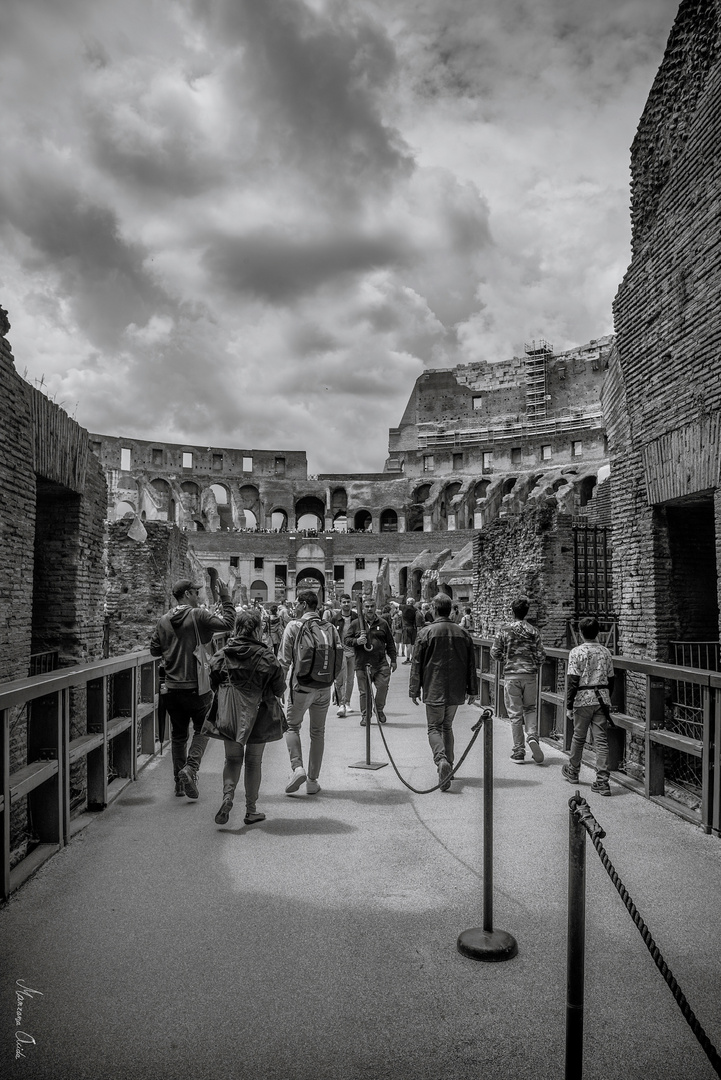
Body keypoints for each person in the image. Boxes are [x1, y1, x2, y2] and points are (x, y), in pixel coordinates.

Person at [150, 574, 235, 799]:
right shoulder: (197, 614)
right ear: (187, 594)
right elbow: (228, 624)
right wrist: (225, 597)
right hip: (197, 687)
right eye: (196, 592)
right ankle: (190, 768)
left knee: (178, 736)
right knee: (203, 729)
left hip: (171, 687)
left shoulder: (163, 619)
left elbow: (154, 650)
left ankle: (179, 783)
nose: (198, 596)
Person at [203, 608, 286, 826]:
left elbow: (214, 682)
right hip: (260, 715)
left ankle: (228, 797)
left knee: (232, 760)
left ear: (237, 629)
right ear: (258, 630)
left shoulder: (221, 656)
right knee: (253, 761)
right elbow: (279, 689)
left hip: (231, 714)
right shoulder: (267, 657)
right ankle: (251, 810)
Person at [409, 592, 478, 789]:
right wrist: (472, 689)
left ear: (433, 609)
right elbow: (471, 665)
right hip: (455, 688)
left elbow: (416, 663)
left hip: (433, 687)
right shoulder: (463, 633)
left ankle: (441, 761)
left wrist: (414, 689)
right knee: (447, 727)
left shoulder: (425, 633)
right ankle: (451, 766)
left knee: (433, 727)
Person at [278, 590, 342, 795]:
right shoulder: (331, 627)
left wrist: (279, 688)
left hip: (302, 687)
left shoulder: (294, 626)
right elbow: (338, 660)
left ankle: (297, 768)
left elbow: (284, 661)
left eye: (296, 603)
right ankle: (313, 782)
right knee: (318, 732)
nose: (294, 607)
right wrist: (337, 689)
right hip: (324, 686)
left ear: (304, 605)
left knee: (291, 727)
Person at [562, 617, 616, 796]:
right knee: (601, 740)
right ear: (598, 632)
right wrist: (607, 697)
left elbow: (572, 680)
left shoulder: (576, 652)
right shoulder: (606, 652)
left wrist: (569, 705)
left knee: (579, 737)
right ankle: (602, 781)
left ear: (580, 633)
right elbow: (611, 679)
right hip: (601, 699)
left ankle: (573, 770)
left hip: (582, 699)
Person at [490, 596, 546, 765]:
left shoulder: (505, 630)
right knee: (530, 708)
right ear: (526, 612)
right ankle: (532, 736)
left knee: (515, 715)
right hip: (529, 676)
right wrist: (533, 663)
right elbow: (541, 656)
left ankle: (519, 751)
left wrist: (505, 660)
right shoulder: (533, 631)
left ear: (512, 611)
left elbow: (494, 652)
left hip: (511, 676)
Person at [347, 597, 397, 725]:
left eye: (372, 606)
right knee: (364, 692)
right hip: (362, 664)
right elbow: (346, 640)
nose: (369, 609)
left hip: (380, 663)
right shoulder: (356, 623)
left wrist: (393, 659)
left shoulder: (383, 623)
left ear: (376, 608)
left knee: (383, 687)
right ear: (363, 608)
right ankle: (365, 715)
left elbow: (390, 642)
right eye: (367, 606)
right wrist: (356, 641)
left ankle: (379, 709)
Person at [331, 593, 357, 717]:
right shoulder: (335, 619)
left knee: (350, 678)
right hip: (339, 652)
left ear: (351, 603)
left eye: (348, 602)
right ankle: (341, 703)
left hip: (353, 651)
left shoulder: (357, 618)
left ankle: (347, 702)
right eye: (344, 602)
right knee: (339, 679)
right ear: (340, 604)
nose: (346, 604)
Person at [401, 597, 420, 664]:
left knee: (408, 644)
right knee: (412, 644)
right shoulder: (415, 609)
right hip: (413, 628)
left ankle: (408, 658)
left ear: (408, 602)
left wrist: (392, 602)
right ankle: (413, 658)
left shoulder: (405, 608)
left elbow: (397, 605)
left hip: (406, 627)